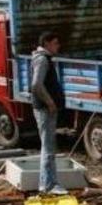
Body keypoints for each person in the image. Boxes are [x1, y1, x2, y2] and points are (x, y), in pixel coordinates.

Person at [30, 32, 67, 195]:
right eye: (55, 43)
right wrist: (50, 102)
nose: (58, 46)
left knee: (49, 145)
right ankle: (48, 184)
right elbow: (36, 85)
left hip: (46, 108)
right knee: (48, 146)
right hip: (45, 109)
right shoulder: (42, 60)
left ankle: (49, 182)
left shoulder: (44, 59)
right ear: (46, 43)